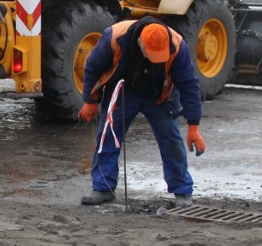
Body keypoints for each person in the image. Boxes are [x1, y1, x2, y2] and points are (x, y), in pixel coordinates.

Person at [77, 17, 206, 208]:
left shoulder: (177, 47)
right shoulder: (115, 37)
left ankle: (182, 191)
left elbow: (189, 86)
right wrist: (90, 101)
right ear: (140, 44)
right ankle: (103, 188)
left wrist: (194, 126)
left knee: (171, 141)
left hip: (159, 96)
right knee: (108, 138)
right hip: (123, 92)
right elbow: (92, 67)